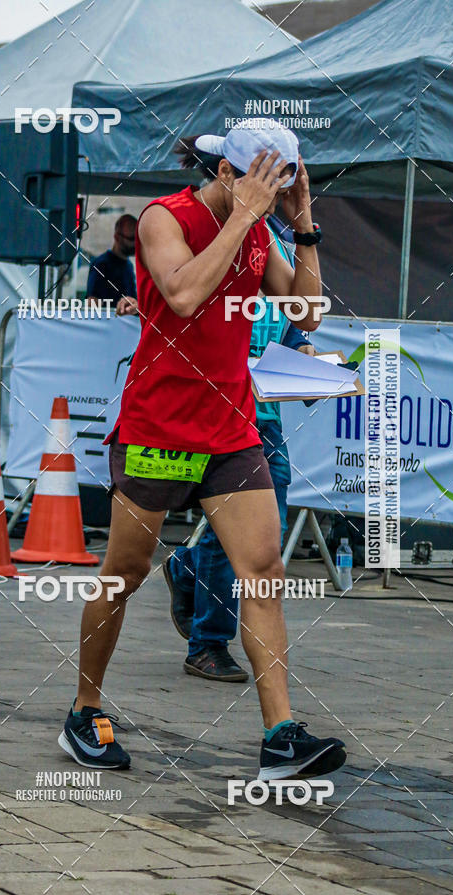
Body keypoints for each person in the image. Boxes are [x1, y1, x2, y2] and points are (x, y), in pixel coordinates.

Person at [59, 122, 346, 781]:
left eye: (281, 187)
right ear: (227, 174)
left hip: (230, 431)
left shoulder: (263, 226)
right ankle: (84, 711)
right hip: (160, 428)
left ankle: (280, 736)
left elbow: (306, 315)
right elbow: (184, 295)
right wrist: (243, 217)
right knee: (123, 573)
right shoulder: (167, 218)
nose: (270, 198)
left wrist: (301, 227)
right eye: (263, 186)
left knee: (265, 569)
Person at [165, 295, 315, 682]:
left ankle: (186, 569)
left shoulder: (280, 247)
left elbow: (293, 325)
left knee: (268, 536)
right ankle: (208, 643)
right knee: (229, 533)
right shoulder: (223, 246)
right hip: (221, 414)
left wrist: (303, 350)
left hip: (265, 422)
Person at [86, 214, 138, 315]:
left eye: (137, 238)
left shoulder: (128, 266)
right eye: (132, 239)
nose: (135, 243)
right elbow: (92, 304)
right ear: (117, 237)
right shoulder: (101, 264)